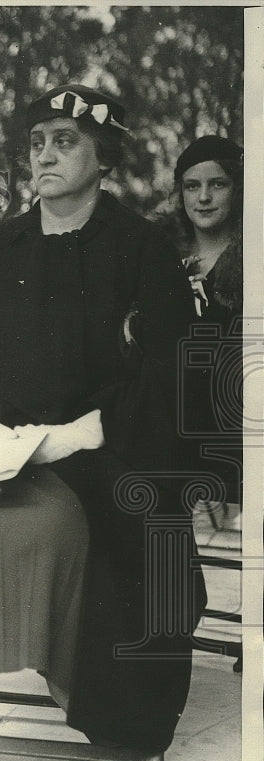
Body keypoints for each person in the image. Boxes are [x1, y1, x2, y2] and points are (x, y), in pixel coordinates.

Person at [0, 85, 206, 754]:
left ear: (105, 156)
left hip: (111, 450)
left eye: (64, 141)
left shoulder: (143, 250)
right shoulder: (0, 250)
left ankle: (97, 693)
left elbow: (172, 373)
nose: (45, 155)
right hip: (3, 449)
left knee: (118, 531)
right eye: (36, 143)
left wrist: (82, 433)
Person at [173, 135, 244, 503]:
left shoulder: (253, 265)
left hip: (236, 447)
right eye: (192, 186)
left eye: (218, 184)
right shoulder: (161, 263)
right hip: (174, 443)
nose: (203, 197)